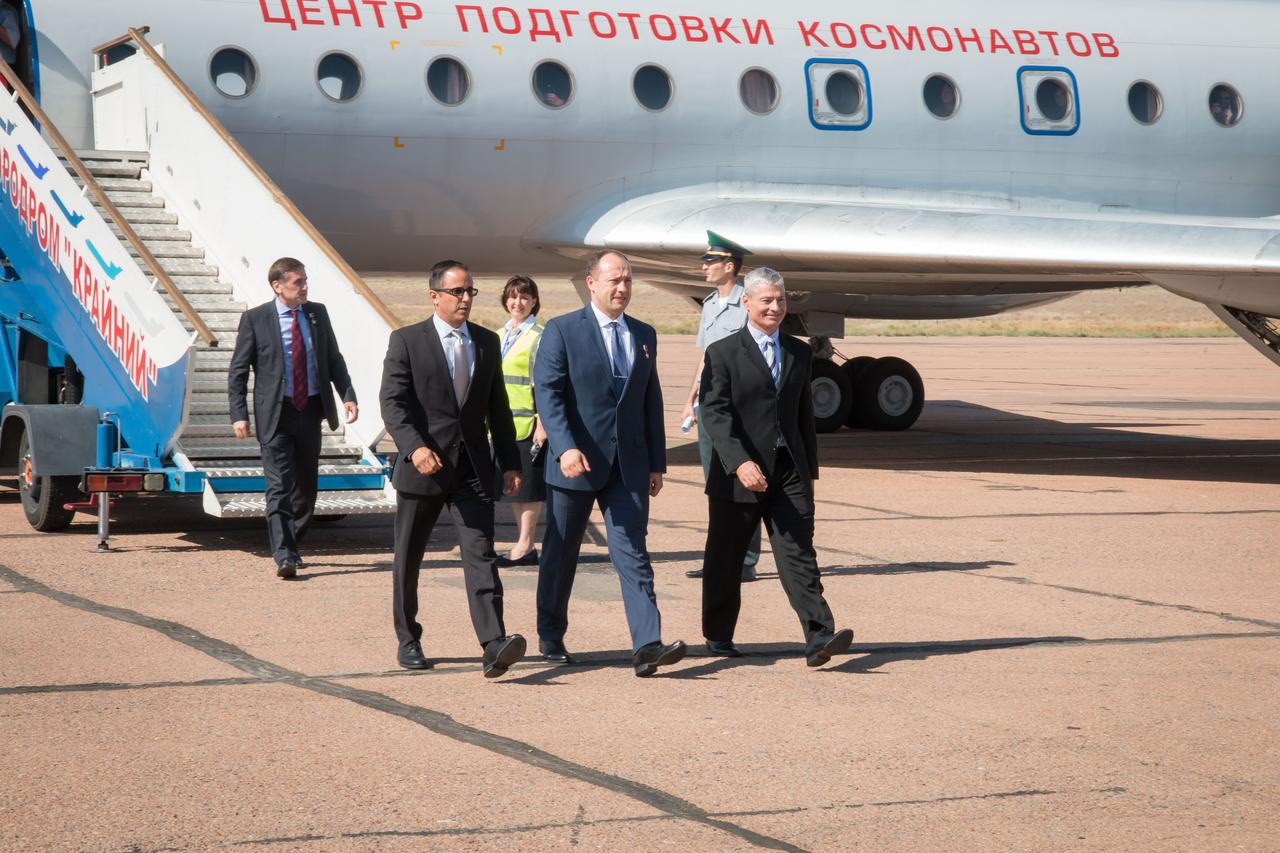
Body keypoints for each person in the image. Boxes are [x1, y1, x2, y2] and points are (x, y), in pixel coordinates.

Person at [533, 249, 686, 677]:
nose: (622, 288)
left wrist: (657, 460)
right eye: (614, 280)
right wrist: (564, 447)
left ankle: (647, 644)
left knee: (632, 552)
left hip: (629, 467)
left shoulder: (644, 334)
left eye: (628, 281)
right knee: (561, 553)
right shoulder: (563, 331)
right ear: (591, 283)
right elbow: (549, 393)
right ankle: (550, 634)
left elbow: (648, 400)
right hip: (575, 463)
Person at [697, 267, 854, 667]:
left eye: (781, 300)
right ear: (746, 303)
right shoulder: (723, 352)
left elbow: (804, 420)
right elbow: (715, 415)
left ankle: (820, 635)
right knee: (726, 558)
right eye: (766, 300)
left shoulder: (798, 352)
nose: (775, 307)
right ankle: (718, 635)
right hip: (740, 475)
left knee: (798, 552)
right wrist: (739, 462)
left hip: (787, 470)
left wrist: (809, 474)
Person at [379, 260, 527, 678]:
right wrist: (414, 448)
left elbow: (497, 405)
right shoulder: (407, 341)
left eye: (470, 292)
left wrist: (511, 463)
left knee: (481, 554)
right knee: (408, 559)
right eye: (457, 292)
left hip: (472, 470)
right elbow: (393, 403)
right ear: (434, 296)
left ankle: (493, 642)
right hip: (423, 468)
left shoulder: (485, 341)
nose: (465, 299)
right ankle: (408, 638)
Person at [229, 257, 358, 579]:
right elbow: (238, 370)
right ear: (278, 285)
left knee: (305, 486)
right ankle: (284, 554)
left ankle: (294, 543)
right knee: (279, 486)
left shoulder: (317, 314)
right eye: (297, 282)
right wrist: (239, 414)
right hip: (276, 413)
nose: (304, 287)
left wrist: (348, 395)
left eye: (305, 281)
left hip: (310, 410)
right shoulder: (256, 319)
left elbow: (334, 358)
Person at [680, 231, 763, 583]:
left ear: (729, 267)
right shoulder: (711, 304)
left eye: (710, 262)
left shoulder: (748, 303)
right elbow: (705, 357)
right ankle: (720, 554)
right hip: (708, 406)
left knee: (743, 480)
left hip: (735, 406)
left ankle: (746, 558)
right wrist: (690, 399)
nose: (704, 268)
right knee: (715, 482)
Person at [494, 275, 548, 568]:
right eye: (513, 297)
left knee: (528, 489)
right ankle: (522, 542)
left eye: (525, 298)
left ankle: (526, 545)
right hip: (503, 424)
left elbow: (543, 383)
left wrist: (543, 422)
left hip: (528, 424)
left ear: (534, 302)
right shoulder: (500, 334)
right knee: (514, 486)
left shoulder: (538, 336)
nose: (518, 303)